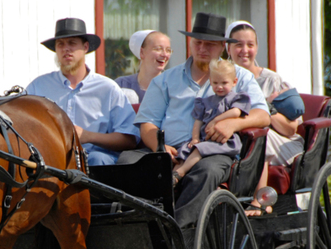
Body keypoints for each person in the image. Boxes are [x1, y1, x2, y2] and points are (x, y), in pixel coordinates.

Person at [120, 12, 270, 228]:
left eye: (209, 44)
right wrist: (160, 147)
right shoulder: (165, 80)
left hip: (213, 151)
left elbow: (263, 116)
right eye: (198, 42)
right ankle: (139, 228)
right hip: (169, 151)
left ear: (222, 47)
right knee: (127, 161)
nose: (202, 49)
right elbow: (147, 124)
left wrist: (233, 123)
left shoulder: (239, 76)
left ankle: (176, 232)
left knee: (205, 172)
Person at [26, 17, 139, 166]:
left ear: (85, 47)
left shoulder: (108, 88)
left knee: (97, 159)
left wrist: (88, 136)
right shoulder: (37, 87)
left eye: (72, 43)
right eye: (60, 44)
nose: (66, 48)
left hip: (95, 165)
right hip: (50, 161)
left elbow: (129, 139)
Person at [225, 20, 305, 215]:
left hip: (282, 144)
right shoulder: (222, 80)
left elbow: (290, 129)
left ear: (257, 48)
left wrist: (267, 108)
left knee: (261, 135)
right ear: (228, 48)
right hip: (240, 144)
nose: (244, 50)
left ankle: (259, 199)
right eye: (238, 45)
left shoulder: (271, 80)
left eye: (250, 45)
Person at [172, 59, 250, 184]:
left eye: (224, 82)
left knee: (199, 149)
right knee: (184, 151)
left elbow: (236, 112)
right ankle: (173, 179)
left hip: (224, 142)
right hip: (205, 140)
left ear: (234, 81)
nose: (219, 87)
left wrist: (216, 120)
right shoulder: (205, 102)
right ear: (210, 82)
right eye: (215, 82)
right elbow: (198, 121)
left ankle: (180, 173)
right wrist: (195, 138)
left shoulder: (235, 98)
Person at [115, 30, 172, 103]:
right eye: (158, 49)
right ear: (141, 52)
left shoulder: (174, 87)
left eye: (168, 50)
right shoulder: (122, 85)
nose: (165, 55)